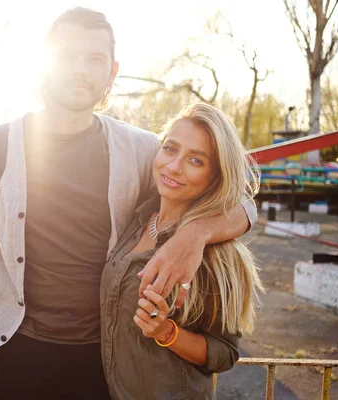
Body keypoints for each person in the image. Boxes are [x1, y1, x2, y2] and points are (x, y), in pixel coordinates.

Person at [0, 7, 257, 400]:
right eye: (68, 55)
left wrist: (194, 235)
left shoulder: (139, 150)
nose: (81, 69)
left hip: (103, 359)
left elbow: (237, 198)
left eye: (94, 59)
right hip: (14, 353)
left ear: (112, 71)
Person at [101, 103, 264, 400]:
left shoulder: (217, 253)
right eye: (170, 149)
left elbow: (224, 352)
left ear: (216, 176)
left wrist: (166, 332)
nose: (174, 166)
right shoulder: (136, 217)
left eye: (196, 161)